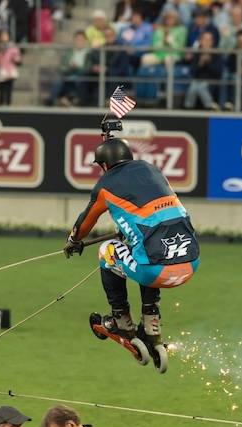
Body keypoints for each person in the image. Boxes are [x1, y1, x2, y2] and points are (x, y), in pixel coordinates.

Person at [63, 137, 200, 351]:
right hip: (190, 264)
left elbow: (85, 222)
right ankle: (151, 322)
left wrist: (73, 241)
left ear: (104, 164)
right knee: (146, 249)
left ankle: (121, 320)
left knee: (107, 250)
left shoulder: (105, 185)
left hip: (154, 271)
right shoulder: (152, 170)